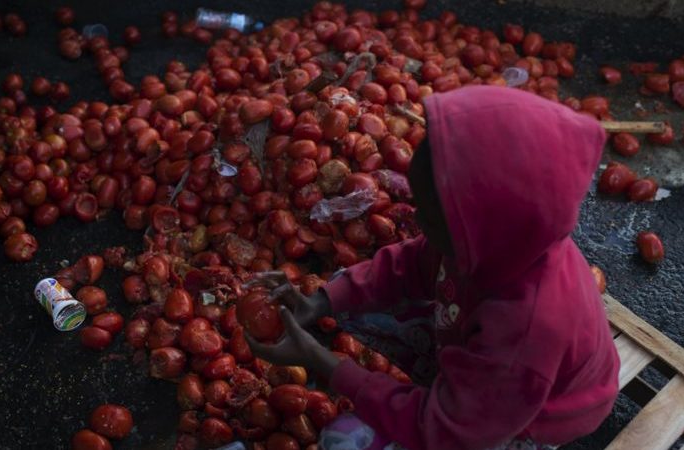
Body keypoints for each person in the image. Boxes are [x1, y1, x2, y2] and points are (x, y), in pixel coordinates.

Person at [245, 85, 620, 450]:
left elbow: (445, 434)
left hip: (529, 416)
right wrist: (321, 301)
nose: (416, 220)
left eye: (429, 216)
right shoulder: (497, 240)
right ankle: (457, 383)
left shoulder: (526, 329)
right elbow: (409, 263)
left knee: (342, 440)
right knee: (347, 287)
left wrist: (321, 360)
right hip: (493, 368)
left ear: (473, 231)